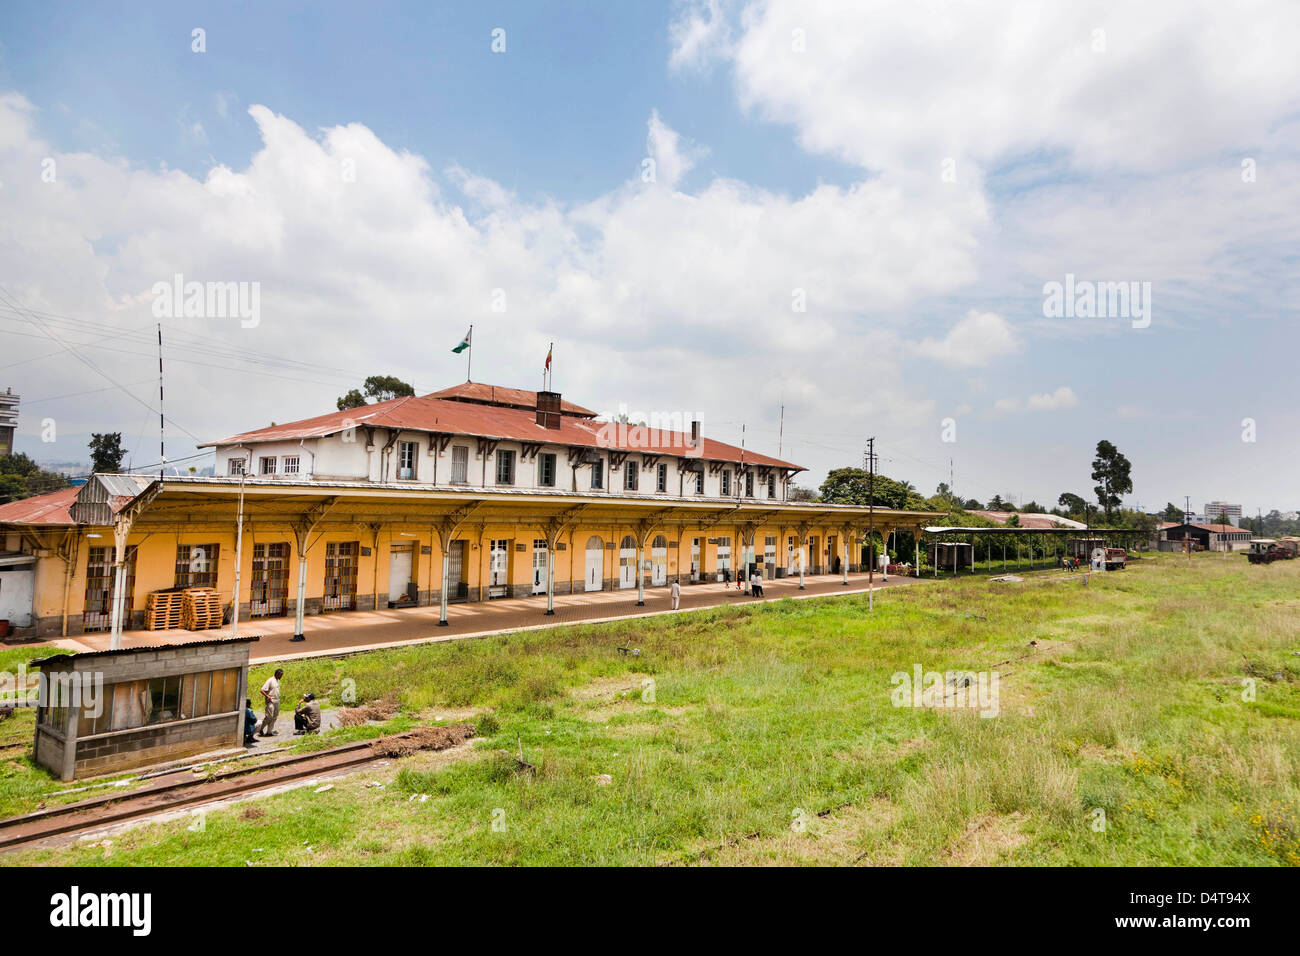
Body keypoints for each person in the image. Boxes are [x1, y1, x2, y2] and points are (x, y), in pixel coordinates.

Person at [259, 668, 283, 737]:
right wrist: (267, 696)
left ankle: (269, 732)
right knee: (269, 716)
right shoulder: (270, 680)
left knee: (274, 717)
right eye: (280, 675)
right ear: (277, 674)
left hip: (277, 701)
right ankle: (260, 729)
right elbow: (262, 690)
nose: (281, 677)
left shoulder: (278, 681)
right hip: (271, 701)